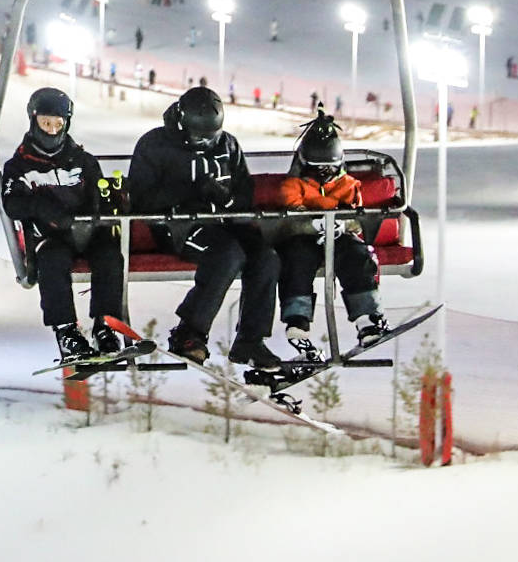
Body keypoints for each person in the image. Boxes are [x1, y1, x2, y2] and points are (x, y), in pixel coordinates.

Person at [126, 85, 278, 370]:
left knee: (265, 256)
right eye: (200, 137)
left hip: (224, 221)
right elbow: (142, 197)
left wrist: (227, 198)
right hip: (179, 226)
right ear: (183, 125)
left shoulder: (228, 145)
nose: (206, 143)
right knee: (228, 253)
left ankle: (251, 339)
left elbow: (244, 192)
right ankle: (189, 332)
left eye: (212, 136)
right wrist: (190, 193)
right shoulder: (156, 145)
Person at [0, 85, 134, 370]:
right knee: (53, 260)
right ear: (34, 121)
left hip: (85, 231)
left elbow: (98, 193)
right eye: (45, 123)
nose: (51, 130)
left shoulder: (81, 160)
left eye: (57, 124)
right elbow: (12, 204)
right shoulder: (20, 165)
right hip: (50, 235)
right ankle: (67, 331)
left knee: (110, 256)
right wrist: (40, 207)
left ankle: (106, 325)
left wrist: (101, 208)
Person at [271, 111, 392, 353]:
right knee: (296, 259)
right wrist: (313, 223)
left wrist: (344, 224)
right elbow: (290, 214)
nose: (324, 174)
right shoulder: (293, 186)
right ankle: (297, 319)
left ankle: (367, 318)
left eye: (329, 168)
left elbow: (357, 218)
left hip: (338, 238)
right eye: (317, 169)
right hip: (302, 238)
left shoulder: (348, 186)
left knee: (356, 256)